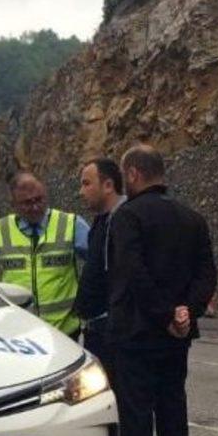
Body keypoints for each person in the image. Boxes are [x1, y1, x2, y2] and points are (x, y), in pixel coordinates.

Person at [105, 144, 217, 436]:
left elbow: (133, 274)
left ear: (134, 174)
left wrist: (164, 313)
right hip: (176, 336)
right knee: (173, 410)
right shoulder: (193, 219)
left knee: (136, 415)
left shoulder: (128, 218)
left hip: (137, 332)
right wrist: (186, 311)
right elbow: (207, 275)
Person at [0, 171, 89, 338]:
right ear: (13, 204)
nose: (35, 207)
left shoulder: (71, 224)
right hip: (20, 335)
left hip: (65, 334)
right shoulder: (1, 230)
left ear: (46, 194)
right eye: (27, 203)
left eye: (39, 199)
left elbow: (100, 262)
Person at [76, 157, 126, 381]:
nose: (81, 191)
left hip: (114, 334)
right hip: (97, 332)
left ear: (108, 185)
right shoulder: (99, 222)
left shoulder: (124, 221)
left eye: (87, 184)